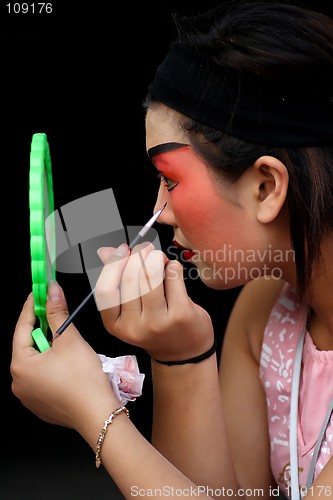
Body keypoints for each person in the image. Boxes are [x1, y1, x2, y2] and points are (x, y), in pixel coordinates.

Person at [10, 1, 333, 498]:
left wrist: (95, 413)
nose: (157, 212)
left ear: (266, 186)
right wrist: (181, 356)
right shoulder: (264, 312)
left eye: (169, 179)